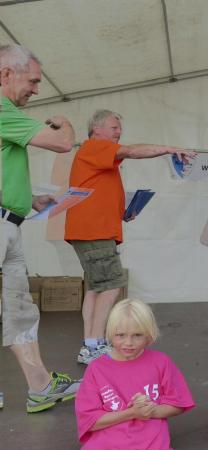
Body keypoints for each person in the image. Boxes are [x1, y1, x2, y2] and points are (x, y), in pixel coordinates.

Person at [65, 110, 196, 365]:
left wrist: (121, 213)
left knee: (96, 287)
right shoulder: (95, 146)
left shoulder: (93, 153)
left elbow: (98, 193)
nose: (119, 132)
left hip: (90, 230)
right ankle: (95, 344)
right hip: (96, 232)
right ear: (97, 129)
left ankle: (89, 344)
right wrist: (169, 149)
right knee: (111, 284)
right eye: (114, 127)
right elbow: (132, 151)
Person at [0, 43, 82, 413]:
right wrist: (65, 123)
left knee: (20, 309)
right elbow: (63, 143)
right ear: (6, 74)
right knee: (18, 307)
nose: (36, 89)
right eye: (32, 81)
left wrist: (28, 199)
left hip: (10, 224)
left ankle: (41, 387)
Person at [75, 299, 195, 449]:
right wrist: (132, 413)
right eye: (120, 335)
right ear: (110, 334)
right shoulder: (96, 369)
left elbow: (179, 403)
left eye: (137, 335)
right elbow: (90, 422)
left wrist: (151, 410)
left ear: (149, 335)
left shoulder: (161, 362)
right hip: (106, 444)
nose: (129, 342)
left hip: (151, 443)